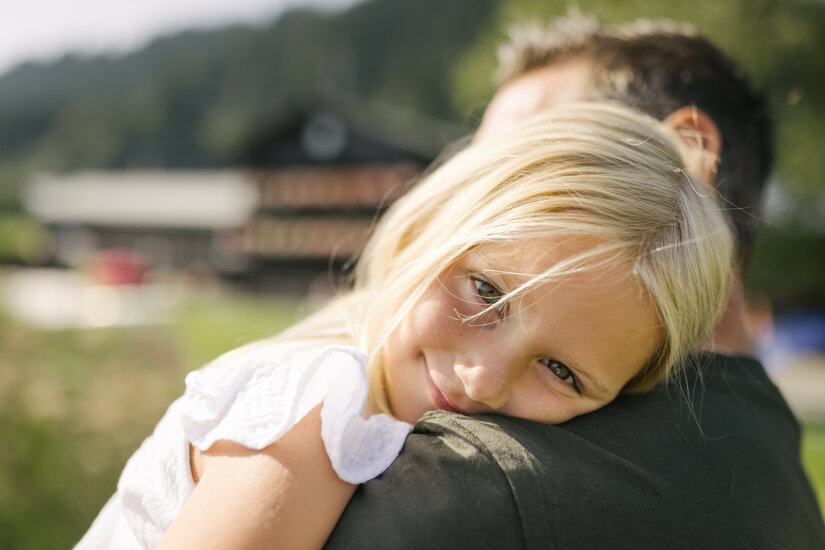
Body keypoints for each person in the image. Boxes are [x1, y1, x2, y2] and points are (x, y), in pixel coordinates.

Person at [76, 102, 734, 549]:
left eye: (560, 371)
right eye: (486, 292)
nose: (482, 378)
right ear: (431, 225)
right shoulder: (319, 407)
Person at [325, 15, 825, 550]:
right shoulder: (780, 470)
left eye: (531, 152)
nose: (478, 192)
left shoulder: (469, 483)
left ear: (688, 152)